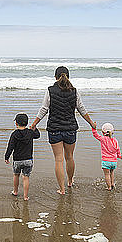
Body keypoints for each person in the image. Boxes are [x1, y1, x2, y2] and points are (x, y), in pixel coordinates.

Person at [30, 66, 96, 195]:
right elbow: (81, 109)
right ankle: (70, 181)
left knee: (58, 159)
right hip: (70, 129)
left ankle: (62, 189)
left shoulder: (50, 90)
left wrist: (33, 124)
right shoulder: (74, 91)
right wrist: (91, 123)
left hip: (54, 129)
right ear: (68, 76)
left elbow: (44, 109)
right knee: (69, 157)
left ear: (55, 77)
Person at [5, 113, 40, 200]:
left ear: (16, 123)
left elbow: (10, 146)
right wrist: (34, 128)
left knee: (16, 175)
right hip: (28, 159)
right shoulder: (30, 133)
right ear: (27, 123)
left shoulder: (14, 134)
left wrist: (7, 156)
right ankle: (25, 196)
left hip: (17, 160)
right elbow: (37, 135)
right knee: (26, 177)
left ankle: (15, 191)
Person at [92, 122, 121, 191]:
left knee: (107, 175)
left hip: (106, 161)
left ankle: (109, 187)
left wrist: (93, 128)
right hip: (114, 161)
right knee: (111, 173)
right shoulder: (115, 140)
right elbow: (118, 149)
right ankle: (112, 183)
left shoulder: (103, 139)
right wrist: (119, 155)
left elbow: (95, 135)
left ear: (102, 132)